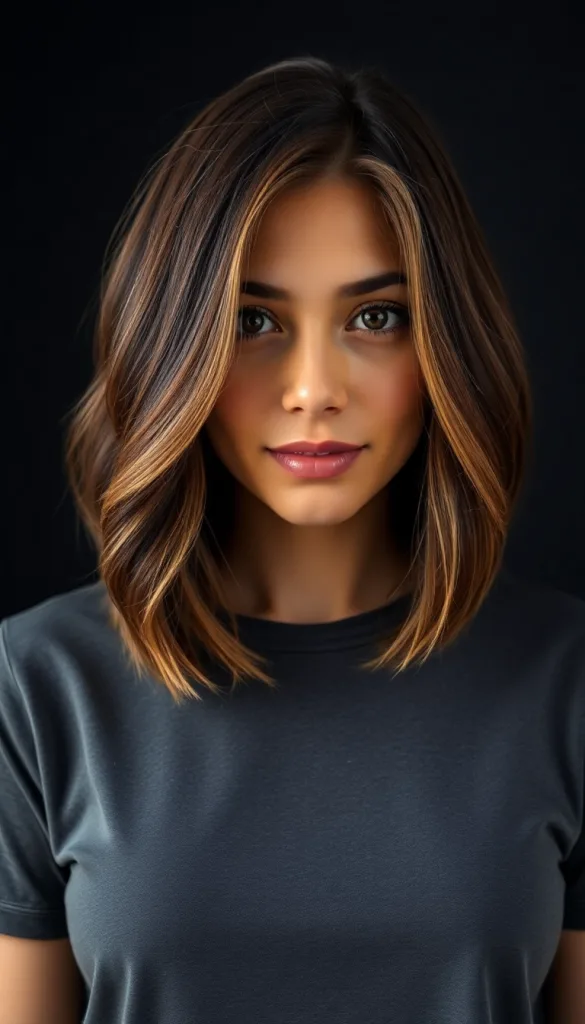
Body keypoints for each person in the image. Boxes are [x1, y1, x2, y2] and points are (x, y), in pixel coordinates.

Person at [0, 55, 583, 1024]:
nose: (315, 386)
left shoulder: (565, 683)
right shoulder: (36, 688)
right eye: (254, 319)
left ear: (450, 343)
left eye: (377, 316)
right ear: (174, 341)